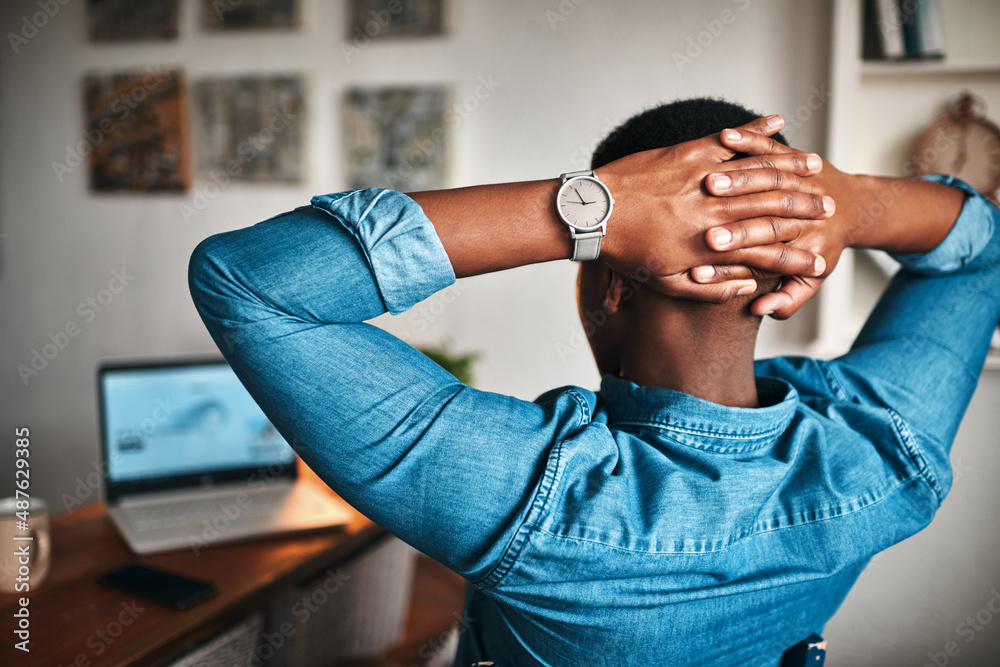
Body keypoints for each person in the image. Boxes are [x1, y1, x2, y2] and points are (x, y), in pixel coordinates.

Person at [188, 98, 999, 665]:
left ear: (609, 283)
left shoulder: (548, 503)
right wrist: (847, 202)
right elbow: (981, 249)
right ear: (789, 267)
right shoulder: (883, 451)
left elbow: (249, 284)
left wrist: (587, 209)